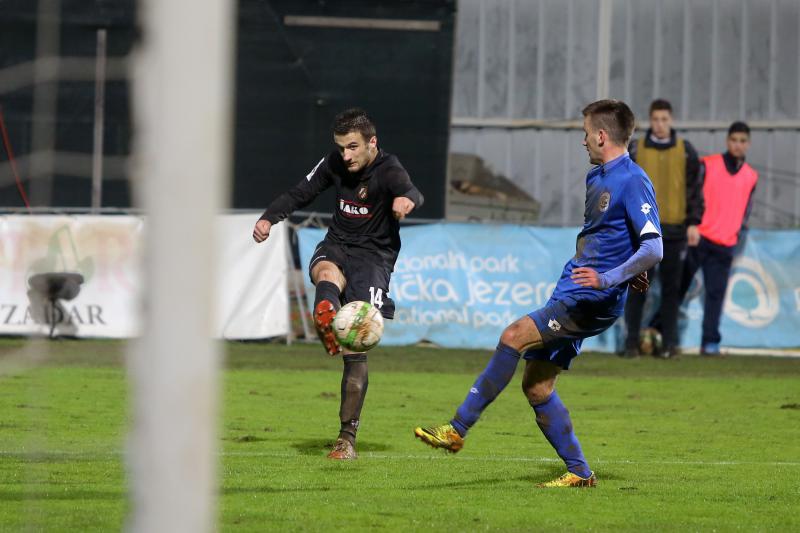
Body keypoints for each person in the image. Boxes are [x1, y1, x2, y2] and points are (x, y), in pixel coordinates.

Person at [414, 99, 663, 488]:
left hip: (589, 299)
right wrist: (625, 271)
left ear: (601, 135)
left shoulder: (632, 179)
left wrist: (608, 278)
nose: (582, 141)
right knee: (537, 386)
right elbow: (616, 238)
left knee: (513, 335)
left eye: (585, 134)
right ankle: (580, 473)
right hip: (575, 290)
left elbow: (654, 247)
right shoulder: (596, 178)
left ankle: (457, 428)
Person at [253, 108, 424, 460]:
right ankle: (326, 312)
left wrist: (406, 201)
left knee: (355, 347)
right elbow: (302, 192)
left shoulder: (389, 169)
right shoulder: (334, 162)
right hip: (338, 245)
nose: (345, 156)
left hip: (374, 259)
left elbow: (410, 191)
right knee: (325, 272)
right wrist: (270, 217)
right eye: (341, 148)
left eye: (352, 148)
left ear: (371, 143)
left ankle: (346, 440)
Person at [624, 99, 703, 358]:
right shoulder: (635, 150)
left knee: (672, 290)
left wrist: (693, 222)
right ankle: (631, 344)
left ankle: (670, 344)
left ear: (671, 120)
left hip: (675, 231)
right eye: (655, 119)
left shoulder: (685, 151)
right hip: (642, 231)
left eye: (664, 119)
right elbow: (624, 188)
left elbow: (694, 191)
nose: (659, 124)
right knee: (638, 289)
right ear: (650, 120)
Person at [680, 121, 757, 355]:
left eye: (742, 141)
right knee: (678, 287)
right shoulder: (708, 165)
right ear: (727, 141)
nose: (738, 145)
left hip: (726, 243)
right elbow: (691, 193)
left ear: (748, 144)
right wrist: (691, 224)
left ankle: (710, 343)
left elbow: (746, 209)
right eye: (734, 140)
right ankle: (655, 332)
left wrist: (736, 230)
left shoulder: (751, 176)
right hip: (699, 237)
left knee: (716, 295)